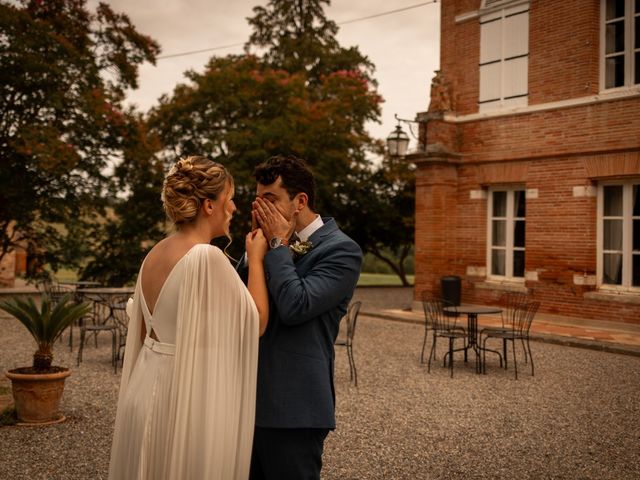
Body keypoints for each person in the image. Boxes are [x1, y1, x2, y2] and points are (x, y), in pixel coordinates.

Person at [108, 156, 269, 480]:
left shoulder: (155, 253)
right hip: (183, 399)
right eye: (230, 199)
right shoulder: (206, 257)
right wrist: (255, 259)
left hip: (145, 388)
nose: (234, 208)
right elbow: (257, 322)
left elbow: (143, 335)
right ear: (209, 205)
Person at [244, 155, 363, 480]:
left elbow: (297, 305)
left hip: (294, 407)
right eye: (258, 201)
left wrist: (279, 244)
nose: (261, 210)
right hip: (244, 401)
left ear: (300, 201)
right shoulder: (264, 244)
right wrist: (255, 252)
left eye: (270, 201)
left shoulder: (341, 250)